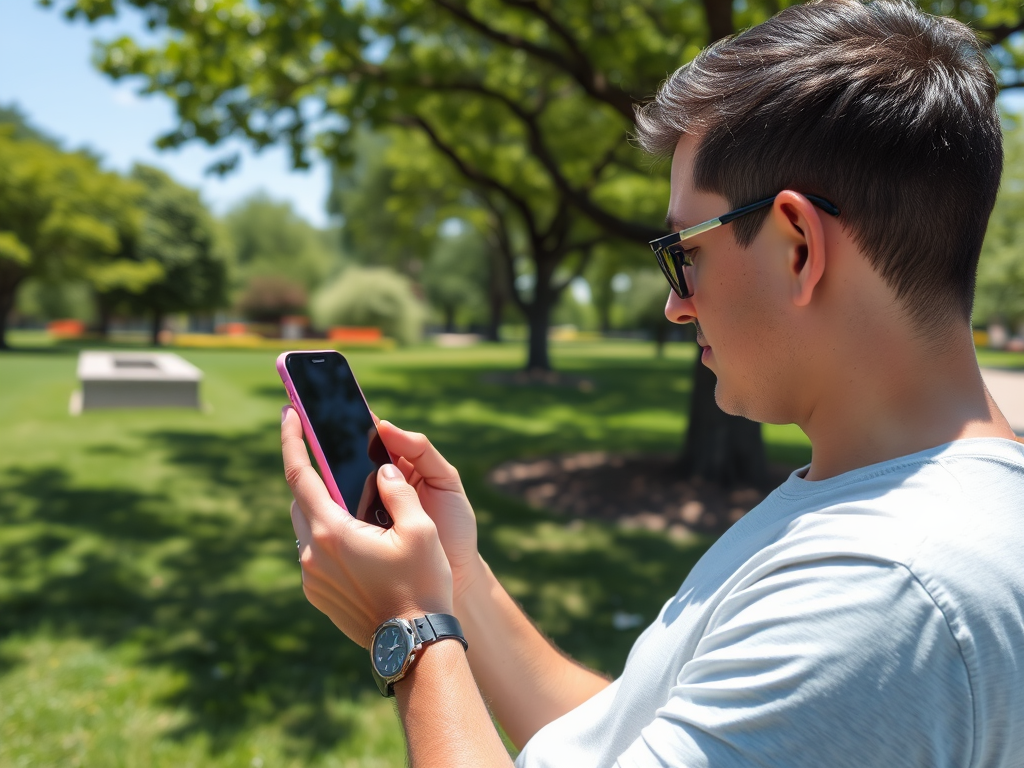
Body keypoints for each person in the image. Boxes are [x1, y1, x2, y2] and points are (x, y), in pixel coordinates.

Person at [280, 0, 1024, 765]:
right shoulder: (900, 510)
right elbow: (641, 737)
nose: (675, 304)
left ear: (797, 245)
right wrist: (455, 578)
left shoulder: (878, 596)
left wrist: (407, 631)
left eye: (684, 252)